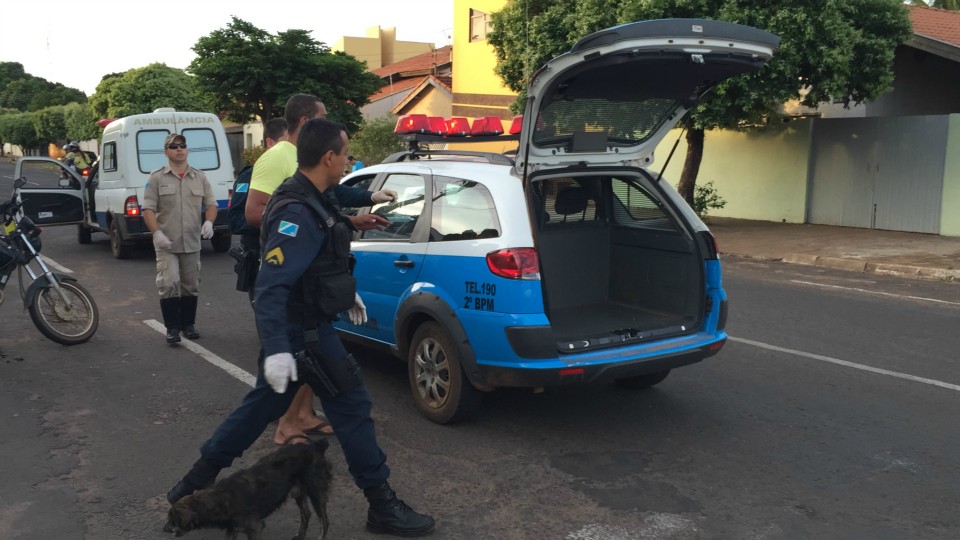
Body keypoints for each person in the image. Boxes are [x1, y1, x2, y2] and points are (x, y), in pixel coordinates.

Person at [166, 118, 436, 537]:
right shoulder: (296, 209)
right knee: (353, 409)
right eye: (346, 154)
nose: (349, 162)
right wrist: (276, 348)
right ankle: (382, 506)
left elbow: (320, 243)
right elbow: (273, 287)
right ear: (328, 157)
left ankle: (192, 483)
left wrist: (350, 244)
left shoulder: (310, 195)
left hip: (301, 331)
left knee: (256, 411)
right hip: (303, 337)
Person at [245, 94, 395, 445]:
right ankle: (279, 429)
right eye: (322, 116)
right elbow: (256, 211)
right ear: (304, 123)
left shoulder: (309, 164)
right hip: (287, 273)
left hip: (312, 278)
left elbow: (329, 199)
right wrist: (299, 231)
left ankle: (301, 417)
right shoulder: (277, 157)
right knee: (283, 371)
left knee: (312, 360)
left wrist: (364, 205)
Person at [142, 133, 218, 344]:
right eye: (174, 146)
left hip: (192, 242)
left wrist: (209, 221)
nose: (179, 149)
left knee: (190, 284)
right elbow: (148, 209)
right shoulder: (156, 178)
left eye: (182, 146)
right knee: (168, 282)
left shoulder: (199, 177)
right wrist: (156, 232)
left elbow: (211, 204)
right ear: (166, 152)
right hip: (167, 242)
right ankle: (172, 328)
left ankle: (188, 324)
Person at [227, 117, 288, 302]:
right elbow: (236, 219)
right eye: (287, 143)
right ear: (270, 143)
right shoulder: (250, 175)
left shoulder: (294, 170)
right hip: (262, 255)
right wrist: (276, 223)